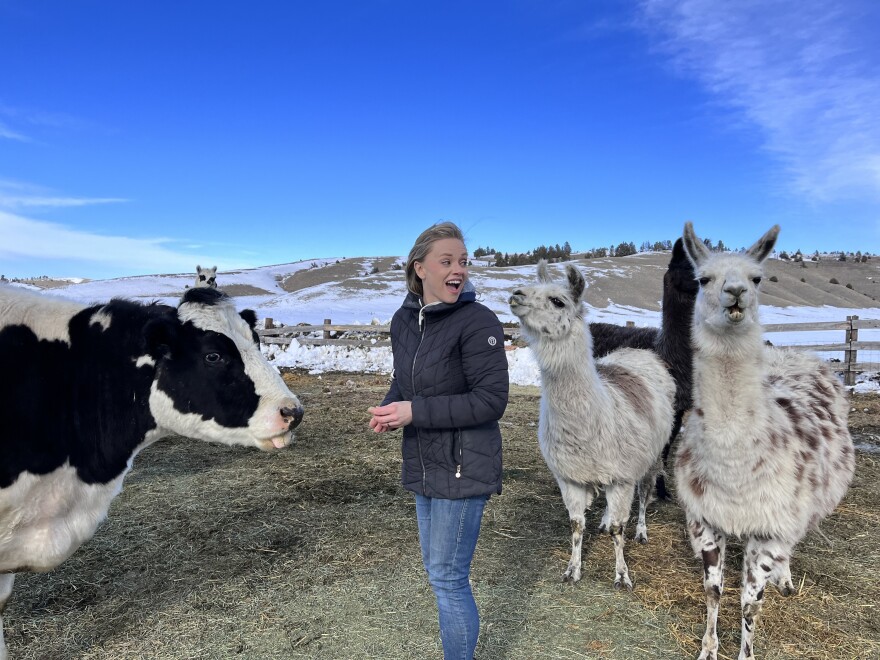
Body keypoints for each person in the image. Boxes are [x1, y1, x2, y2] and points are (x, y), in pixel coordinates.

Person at [368, 221, 509, 659]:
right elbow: (407, 381)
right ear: (420, 269)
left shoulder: (478, 321)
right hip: (425, 463)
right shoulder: (404, 321)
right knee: (438, 572)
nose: (459, 270)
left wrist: (414, 412)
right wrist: (393, 407)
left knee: (449, 578)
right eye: (447, 261)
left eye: (463, 262)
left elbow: (490, 401)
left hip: (465, 466)